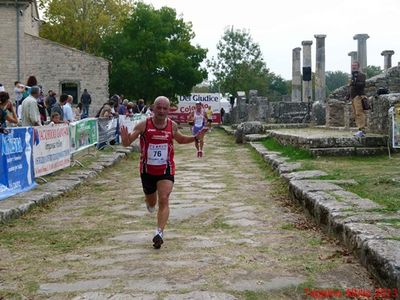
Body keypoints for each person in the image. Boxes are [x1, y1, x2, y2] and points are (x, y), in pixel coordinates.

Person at [120, 96, 207, 249]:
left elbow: (180, 139)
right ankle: (149, 203)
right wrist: (125, 138)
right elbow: (127, 142)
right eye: (158, 107)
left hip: (165, 170)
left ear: (168, 110)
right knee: (152, 202)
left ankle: (159, 232)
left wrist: (195, 138)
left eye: (164, 108)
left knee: (164, 198)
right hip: (147, 171)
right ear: (153, 108)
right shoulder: (143, 124)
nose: (161, 111)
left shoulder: (172, 126)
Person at [349, 61, 367, 137]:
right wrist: (348, 95)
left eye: (355, 65)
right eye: (352, 65)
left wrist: (354, 83)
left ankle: (362, 130)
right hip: (353, 97)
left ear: (358, 66)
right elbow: (351, 86)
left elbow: (362, 84)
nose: (353, 67)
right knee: (355, 114)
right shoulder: (352, 76)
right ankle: (359, 129)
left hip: (359, 96)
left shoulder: (362, 75)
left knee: (359, 113)